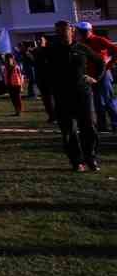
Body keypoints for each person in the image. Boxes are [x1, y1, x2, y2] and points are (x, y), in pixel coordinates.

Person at [40, 21, 99, 171]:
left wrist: (95, 78)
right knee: (68, 130)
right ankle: (77, 161)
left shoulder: (82, 48)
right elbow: (42, 69)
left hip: (83, 93)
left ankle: (90, 158)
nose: (62, 33)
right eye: (58, 31)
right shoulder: (51, 50)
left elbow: (100, 63)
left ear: (72, 31)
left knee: (89, 127)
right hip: (62, 95)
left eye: (64, 30)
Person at [73, 23, 117, 134]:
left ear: (88, 31)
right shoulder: (80, 43)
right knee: (97, 102)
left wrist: (109, 65)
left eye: (81, 31)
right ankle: (102, 125)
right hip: (90, 76)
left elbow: (115, 50)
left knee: (108, 101)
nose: (78, 33)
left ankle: (115, 124)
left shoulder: (99, 40)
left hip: (103, 75)